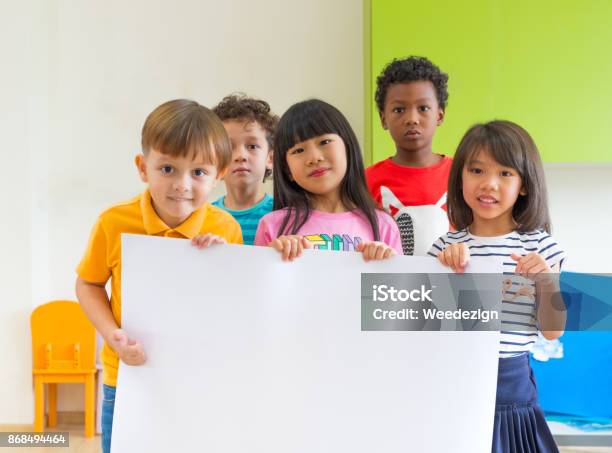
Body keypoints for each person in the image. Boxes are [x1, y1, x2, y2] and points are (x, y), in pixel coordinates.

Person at [75, 99, 242, 453]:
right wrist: (111, 335)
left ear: (220, 174)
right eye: (167, 168)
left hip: (197, 379)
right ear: (142, 166)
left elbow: (231, 305)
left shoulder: (225, 228)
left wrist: (219, 263)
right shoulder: (114, 222)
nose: (181, 184)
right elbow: (88, 283)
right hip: (127, 380)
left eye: (198, 172)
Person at [429, 120, 565, 452]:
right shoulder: (442, 248)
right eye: (476, 170)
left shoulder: (542, 248)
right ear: (460, 176)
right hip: (455, 386)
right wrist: (445, 273)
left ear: (523, 184)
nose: (489, 184)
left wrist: (545, 281)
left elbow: (552, 331)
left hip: (512, 389)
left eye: (505, 173)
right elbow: (428, 329)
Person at [254, 99, 402, 260]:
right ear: (286, 169)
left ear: (348, 148)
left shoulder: (383, 225)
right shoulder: (272, 226)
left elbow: (398, 285)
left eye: (324, 142)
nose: (314, 158)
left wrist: (384, 266)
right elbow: (261, 284)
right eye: (298, 150)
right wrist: (273, 258)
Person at [366, 56, 452, 256]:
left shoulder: (464, 175)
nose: (412, 119)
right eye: (399, 110)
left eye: (423, 108)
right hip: (394, 285)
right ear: (383, 118)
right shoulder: (365, 181)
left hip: (454, 285)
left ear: (439, 115)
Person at [211, 94, 278, 245]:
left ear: (270, 158)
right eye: (228, 147)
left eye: (252, 146)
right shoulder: (203, 217)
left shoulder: (283, 215)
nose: (240, 156)